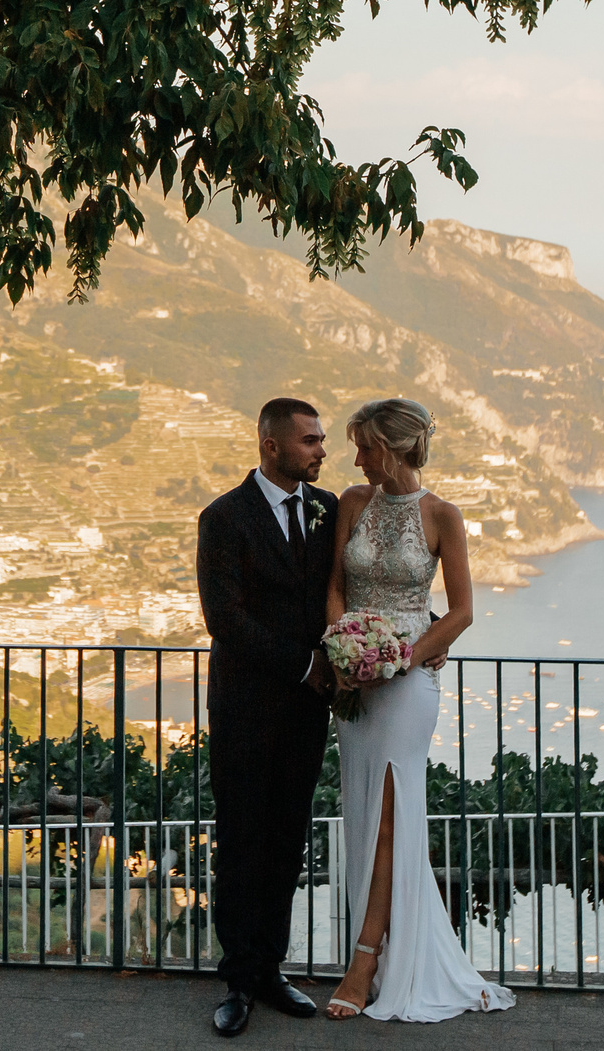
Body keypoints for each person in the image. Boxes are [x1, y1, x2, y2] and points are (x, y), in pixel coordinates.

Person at [321, 397, 516, 1022]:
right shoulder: (351, 503)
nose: (356, 459)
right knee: (360, 808)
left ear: (398, 448)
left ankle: (366, 960)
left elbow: (460, 611)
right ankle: (379, 946)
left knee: (387, 813)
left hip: (407, 682)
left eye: (366, 448)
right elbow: (335, 587)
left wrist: (400, 659)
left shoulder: (442, 516)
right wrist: (343, 655)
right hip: (355, 681)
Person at [194, 397, 341, 1037]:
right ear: (271, 446)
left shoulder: (328, 509)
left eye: (322, 440)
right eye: (309, 441)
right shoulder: (223, 518)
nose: (321, 450)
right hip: (245, 707)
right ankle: (238, 981)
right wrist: (305, 666)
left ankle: (272, 968)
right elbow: (225, 622)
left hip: (305, 714)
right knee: (244, 842)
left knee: (287, 841)